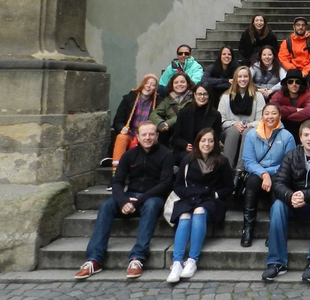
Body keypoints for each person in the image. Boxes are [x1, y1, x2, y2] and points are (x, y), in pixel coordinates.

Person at [74, 121, 174, 280]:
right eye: (144, 134)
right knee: (106, 206)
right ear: (138, 137)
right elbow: (117, 182)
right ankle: (94, 259)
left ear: (157, 136)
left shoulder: (166, 154)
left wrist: (139, 200)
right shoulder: (129, 155)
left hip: (152, 196)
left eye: (151, 134)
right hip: (130, 195)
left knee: (152, 205)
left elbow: (165, 184)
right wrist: (123, 202)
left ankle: (137, 258)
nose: (147, 138)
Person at [262, 120, 310, 282]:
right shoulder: (291, 155)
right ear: (300, 138)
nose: (309, 139)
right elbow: (279, 182)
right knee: (277, 205)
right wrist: (291, 196)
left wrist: (306, 195)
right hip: (294, 202)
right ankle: (276, 262)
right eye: (306, 135)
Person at [166, 128, 233, 283]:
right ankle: (177, 262)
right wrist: (189, 193)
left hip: (211, 201)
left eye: (210, 140)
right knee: (184, 215)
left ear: (215, 143)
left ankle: (192, 260)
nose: (207, 144)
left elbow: (229, 187)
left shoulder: (222, 161)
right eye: (203, 140)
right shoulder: (188, 160)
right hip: (189, 198)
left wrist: (215, 194)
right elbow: (177, 185)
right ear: (198, 142)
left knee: (199, 211)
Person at [239, 103, 297, 247]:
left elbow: (288, 163)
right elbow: (248, 161)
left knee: (279, 182)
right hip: (257, 173)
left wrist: (269, 173)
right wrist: (264, 174)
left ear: (280, 116)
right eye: (267, 113)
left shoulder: (287, 136)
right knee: (252, 181)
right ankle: (248, 227)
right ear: (262, 116)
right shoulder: (252, 135)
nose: (270, 117)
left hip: (278, 173)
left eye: (274, 113)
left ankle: (274, 229)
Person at [109, 74, 159, 175]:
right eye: (147, 83)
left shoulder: (158, 102)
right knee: (121, 138)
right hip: (130, 132)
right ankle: (116, 174)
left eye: (152, 85)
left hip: (146, 134)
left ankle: (135, 174)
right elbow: (118, 120)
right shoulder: (129, 99)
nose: (148, 86)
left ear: (155, 88)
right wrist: (121, 128)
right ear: (142, 84)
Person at [217, 66, 265, 170]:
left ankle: (240, 169)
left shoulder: (258, 96)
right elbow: (220, 119)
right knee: (233, 132)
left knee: (248, 132)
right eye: (239, 77)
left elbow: (262, 119)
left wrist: (249, 125)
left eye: (245, 76)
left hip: (250, 128)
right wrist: (234, 124)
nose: (242, 79)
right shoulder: (225, 97)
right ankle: (227, 168)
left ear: (250, 78)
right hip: (230, 130)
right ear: (235, 79)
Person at [171, 83, 222, 161]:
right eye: (199, 94)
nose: (202, 97)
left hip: (207, 150)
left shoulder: (216, 115)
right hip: (186, 151)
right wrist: (185, 145)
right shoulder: (184, 112)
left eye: (205, 94)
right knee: (191, 159)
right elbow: (176, 137)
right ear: (194, 95)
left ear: (209, 96)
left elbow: (216, 138)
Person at [150, 72, 194, 146]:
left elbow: (184, 116)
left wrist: (168, 123)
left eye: (182, 82)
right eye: (176, 82)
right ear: (172, 85)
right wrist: (161, 124)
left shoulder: (194, 99)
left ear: (188, 84)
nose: (179, 84)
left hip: (189, 134)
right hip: (171, 136)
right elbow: (153, 114)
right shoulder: (167, 100)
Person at [269, 73, 310, 137]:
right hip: (284, 126)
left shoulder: (309, 95)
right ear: (286, 84)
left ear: (301, 84)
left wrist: (286, 117)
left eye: (297, 82)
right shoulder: (279, 94)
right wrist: (295, 110)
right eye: (290, 82)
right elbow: (273, 109)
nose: (294, 84)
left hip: (301, 126)